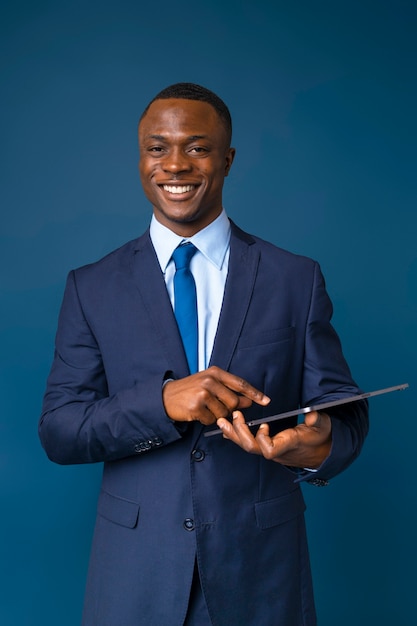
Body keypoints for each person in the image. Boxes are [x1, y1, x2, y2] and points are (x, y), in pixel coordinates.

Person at [39, 82, 369, 626]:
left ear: (227, 159)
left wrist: (320, 441)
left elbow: (341, 404)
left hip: (261, 574)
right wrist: (163, 402)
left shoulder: (295, 278)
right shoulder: (90, 287)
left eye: (196, 147)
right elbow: (60, 429)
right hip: (135, 577)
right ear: (140, 157)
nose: (175, 165)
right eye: (156, 147)